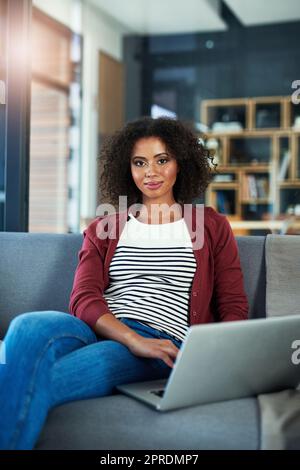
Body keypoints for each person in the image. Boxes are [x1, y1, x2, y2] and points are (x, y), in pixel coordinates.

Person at [0, 116, 249, 450]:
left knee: (41, 380)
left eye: (162, 160)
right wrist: (131, 338)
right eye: (140, 162)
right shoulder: (106, 227)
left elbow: (234, 307)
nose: (151, 172)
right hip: (95, 329)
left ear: (181, 164)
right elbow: (83, 298)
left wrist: (210, 359)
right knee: (28, 327)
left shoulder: (212, 226)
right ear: (127, 168)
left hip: (159, 342)